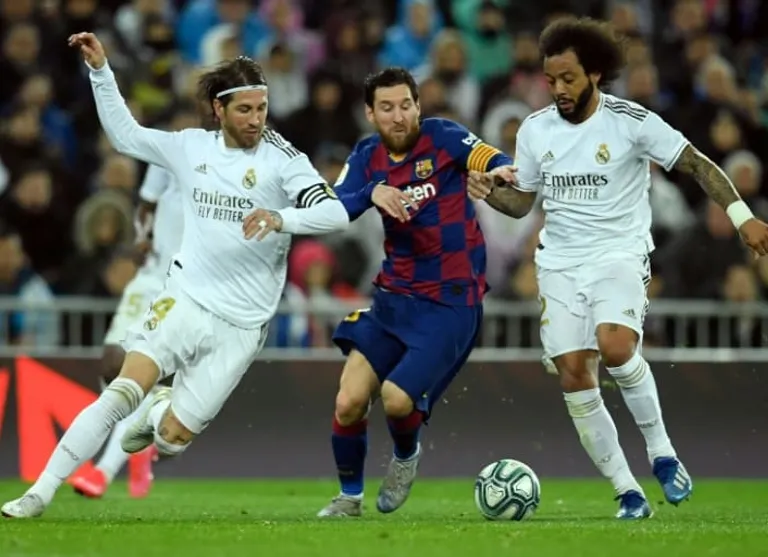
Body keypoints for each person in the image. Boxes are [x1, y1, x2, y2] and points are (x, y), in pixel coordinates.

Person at [1, 32, 351, 518]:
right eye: (245, 110)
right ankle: (39, 493)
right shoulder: (190, 148)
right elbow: (125, 136)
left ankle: (160, 409)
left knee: (171, 440)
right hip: (186, 298)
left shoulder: (283, 159)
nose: (256, 120)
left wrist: (281, 218)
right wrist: (101, 72)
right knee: (120, 394)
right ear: (218, 109)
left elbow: (335, 214)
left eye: (261, 109)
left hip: (243, 325)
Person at [467, 17, 768, 520]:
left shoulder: (632, 122)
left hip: (619, 252)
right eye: (551, 79)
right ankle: (627, 491)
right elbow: (522, 203)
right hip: (559, 262)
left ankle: (662, 454)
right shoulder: (536, 129)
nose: (558, 89)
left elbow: (697, 163)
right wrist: (490, 193)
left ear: (595, 74)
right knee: (573, 373)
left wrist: (743, 217)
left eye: (568, 78)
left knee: (615, 346)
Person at [316, 67, 516, 518]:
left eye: (406, 105)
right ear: (370, 114)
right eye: (387, 108)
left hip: (451, 301)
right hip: (394, 298)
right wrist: (371, 193)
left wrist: (500, 171)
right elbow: (334, 207)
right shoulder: (367, 156)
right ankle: (349, 499)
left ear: (418, 106)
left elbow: (490, 156)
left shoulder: (443, 136)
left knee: (395, 398)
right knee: (348, 401)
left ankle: (406, 455)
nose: (399, 115)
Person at [68, 164, 181, 500]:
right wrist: (140, 238)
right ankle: (140, 438)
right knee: (112, 364)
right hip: (149, 274)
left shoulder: (226, 165)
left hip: (182, 281)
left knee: (137, 375)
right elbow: (145, 203)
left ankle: (103, 471)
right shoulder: (166, 157)